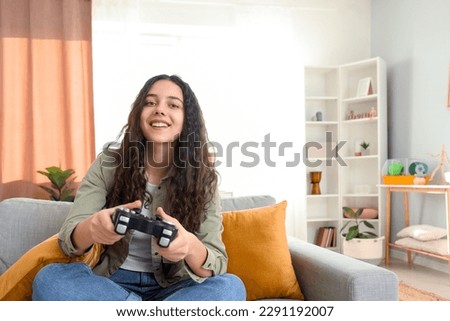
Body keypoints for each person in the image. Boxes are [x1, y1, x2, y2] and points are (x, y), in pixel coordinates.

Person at [32, 74, 246, 301]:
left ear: (187, 120)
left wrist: (190, 246)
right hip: (110, 284)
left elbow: (218, 264)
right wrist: (93, 228)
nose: (160, 110)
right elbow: (68, 242)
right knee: (49, 279)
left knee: (230, 287)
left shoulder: (204, 179)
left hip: (175, 288)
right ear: (138, 114)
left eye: (173, 105)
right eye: (150, 102)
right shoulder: (108, 164)